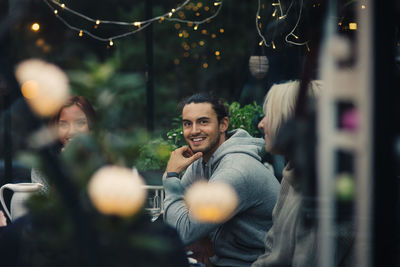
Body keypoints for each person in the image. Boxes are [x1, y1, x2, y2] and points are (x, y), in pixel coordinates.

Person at [163, 93, 280, 266]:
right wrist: (201, 236)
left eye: (203, 121)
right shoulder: (201, 161)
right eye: (188, 123)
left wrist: (171, 176)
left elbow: (182, 231)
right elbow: (177, 221)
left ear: (223, 124)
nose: (194, 130)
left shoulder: (235, 170)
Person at [252, 80, 353, 266]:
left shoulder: (326, 193)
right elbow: (271, 248)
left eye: (269, 115)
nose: (261, 124)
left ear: (291, 120)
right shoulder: (292, 174)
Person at [9, 96, 96, 221]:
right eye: (63, 124)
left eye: (80, 123)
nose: (72, 131)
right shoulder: (47, 161)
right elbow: (48, 203)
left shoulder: (103, 155)